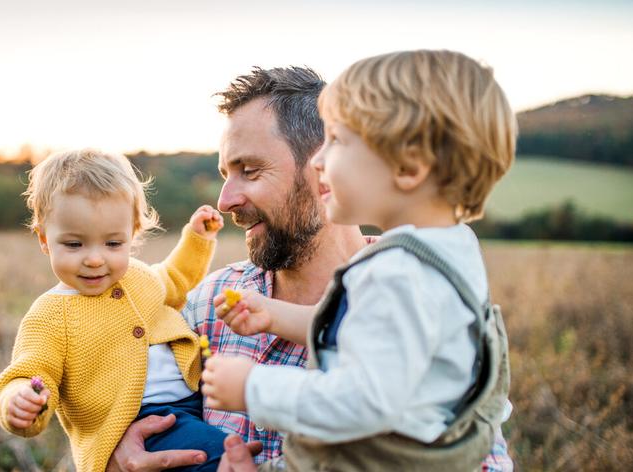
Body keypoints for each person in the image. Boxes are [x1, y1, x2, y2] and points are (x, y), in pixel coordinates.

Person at [107, 66, 513, 471]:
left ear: (321, 165)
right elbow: (133, 406)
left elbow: (474, 453)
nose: (225, 200)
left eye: (249, 170)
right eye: (225, 175)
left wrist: (253, 387)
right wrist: (114, 449)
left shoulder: (422, 292)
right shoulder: (207, 304)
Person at [0, 149, 229, 472]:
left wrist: (197, 240)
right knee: (225, 456)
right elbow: (30, 372)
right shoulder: (50, 314)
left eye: (113, 244)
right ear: (45, 239)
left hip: (191, 402)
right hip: (139, 424)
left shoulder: (139, 277)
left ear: (132, 235)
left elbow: (175, 279)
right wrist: (19, 399)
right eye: (74, 244)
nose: (94, 259)